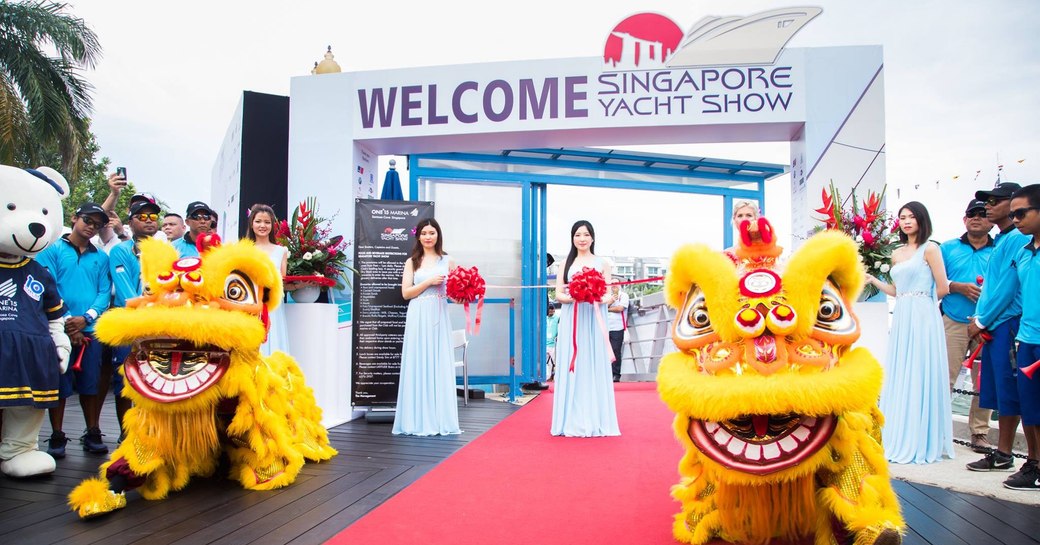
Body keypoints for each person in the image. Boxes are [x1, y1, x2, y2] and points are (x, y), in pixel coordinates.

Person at [867, 201, 953, 463]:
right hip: (903, 313)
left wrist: (922, 304)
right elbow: (896, 290)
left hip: (923, 315)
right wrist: (873, 281)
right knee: (903, 369)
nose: (906, 221)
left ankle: (921, 438)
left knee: (920, 368)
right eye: (902, 217)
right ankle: (899, 431)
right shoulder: (896, 253)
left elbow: (943, 287)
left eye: (911, 217)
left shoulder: (931, 249)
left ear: (921, 220)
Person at [35, 202, 112, 457]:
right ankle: (57, 435)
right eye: (88, 221)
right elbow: (49, 286)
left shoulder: (100, 256)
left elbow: (103, 292)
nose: (92, 227)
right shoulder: (52, 250)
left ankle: (92, 431)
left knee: (91, 384)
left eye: (97, 225)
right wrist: (69, 320)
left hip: (91, 329)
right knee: (59, 382)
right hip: (58, 328)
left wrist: (87, 317)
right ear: (74, 218)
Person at [965, 182, 1029, 474]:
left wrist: (981, 320)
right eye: (986, 201)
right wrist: (980, 317)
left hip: (1008, 324)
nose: (988, 206)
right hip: (994, 324)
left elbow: (1007, 287)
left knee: (1012, 390)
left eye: (995, 200)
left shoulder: (1016, 238)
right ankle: (1003, 453)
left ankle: (1013, 455)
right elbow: (991, 287)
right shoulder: (1003, 238)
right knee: (998, 390)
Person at [391, 218, 461, 436]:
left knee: (438, 362)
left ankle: (439, 417)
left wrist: (465, 294)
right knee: (418, 361)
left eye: (432, 232)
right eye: (424, 233)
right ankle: (416, 419)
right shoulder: (411, 262)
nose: (428, 237)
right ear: (418, 236)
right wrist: (428, 282)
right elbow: (406, 293)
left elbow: (453, 294)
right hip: (418, 314)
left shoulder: (448, 261)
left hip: (439, 313)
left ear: (438, 235)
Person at [551, 220, 620, 437]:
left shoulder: (603, 263)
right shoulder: (566, 264)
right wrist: (573, 297)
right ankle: (570, 419)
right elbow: (558, 295)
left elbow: (610, 295)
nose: (582, 238)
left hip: (594, 319)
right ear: (572, 238)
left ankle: (595, 418)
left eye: (586, 234)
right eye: (578, 235)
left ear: (592, 237)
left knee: (592, 363)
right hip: (573, 319)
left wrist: (596, 298)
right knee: (574, 363)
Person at [940, 199, 995, 453]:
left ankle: (980, 433)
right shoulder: (948, 248)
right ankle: (939, 429)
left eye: (982, 214)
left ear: (990, 219)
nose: (976, 217)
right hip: (952, 320)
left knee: (984, 381)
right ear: (964, 219)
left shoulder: (999, 249)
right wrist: (956, 286)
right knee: (945, 377)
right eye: (971, 213)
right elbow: (934, 282)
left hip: (987, 323)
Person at [104, 199, 161, 438]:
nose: (149, 221)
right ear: (131, 222)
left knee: (153, 378)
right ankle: (125, 433)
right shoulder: (120, 250)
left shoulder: (162, 251)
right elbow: (125, 289)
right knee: (125, 380)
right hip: (130, 322)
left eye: (152, 217)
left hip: (157, 324)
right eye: (142, 217)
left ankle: (147, 431)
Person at [1003, 183, 1040, 490]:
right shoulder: (1024, 253)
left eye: (1021, 213)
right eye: (1012, 213)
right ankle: (1034, 464)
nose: (1015, 219)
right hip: (1027, 339)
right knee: (1029, 406)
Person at [246, 204, 290, 356]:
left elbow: (283, 282)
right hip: (251, 305)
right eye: (258, 221)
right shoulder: (245, 249)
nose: (262, 225)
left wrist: (301, 285)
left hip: (274, 306)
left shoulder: (281, 251)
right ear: (252, 223)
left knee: (274, 341)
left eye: (267, 222)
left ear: (272, 225)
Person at [607, 284, 629, 382]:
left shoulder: (623, 295)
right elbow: (599, 307)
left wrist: (607, 308)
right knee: (605, 351)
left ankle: (616, 374)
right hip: (605, 327)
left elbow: (620, 308)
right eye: (612, 284)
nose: (614, 286)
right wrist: (610, 302)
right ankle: (607, 374)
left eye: (616, 283)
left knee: (616, 350)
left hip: (617, 327)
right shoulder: (606, 295)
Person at [546, 304, 560, 381]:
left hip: (553, 344)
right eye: (549, 311)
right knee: (546, 362)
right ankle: (547, 377)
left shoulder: (557, 318)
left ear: (554, 311)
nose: (551, 312)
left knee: (555, 361)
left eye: (552, 311)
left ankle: (556, 377)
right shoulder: (545, 318)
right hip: (545, 344)